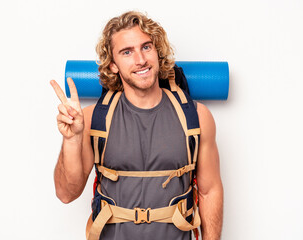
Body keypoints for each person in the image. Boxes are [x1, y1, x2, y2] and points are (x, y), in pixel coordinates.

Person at [50, 11, 223, 240]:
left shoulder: (197, 117)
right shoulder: (93, 119)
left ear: (157, 52)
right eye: (127, 52)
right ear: (113, 65)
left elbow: (210, 191)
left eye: (146, 47)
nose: (140, 60)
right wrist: (71, 140)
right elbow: (66, 194)